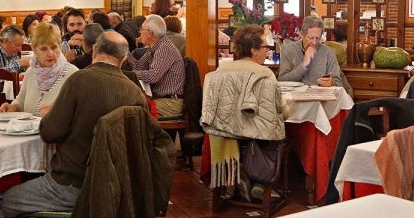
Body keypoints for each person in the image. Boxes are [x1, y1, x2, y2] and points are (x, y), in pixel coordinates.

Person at [0, 31, 150, 217]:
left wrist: (54, 112)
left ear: (94, 50)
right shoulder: (136, 93)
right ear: (125, 58)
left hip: (71, 184)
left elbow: (49, 133)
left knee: (2, 201)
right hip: (116, 188)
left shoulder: (78, 80)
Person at [201, 24, 286, 202]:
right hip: (257, 133)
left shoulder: (219, 71)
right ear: (254, 50)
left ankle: (242, 176)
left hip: (223, 130)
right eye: (265, 47)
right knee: (274, 135)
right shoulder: (265, 74)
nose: (267, 51)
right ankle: (260, 183)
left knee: (246, 134)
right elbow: (280, 110)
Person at [0, 23, 78, 116]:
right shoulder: (31, 72)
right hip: (29, 129)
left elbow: (80, 112)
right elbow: (20, 102)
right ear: (34, 49)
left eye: (54, 47)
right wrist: (12, 107)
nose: (50, 54)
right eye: (43, 49)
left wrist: (59, 110)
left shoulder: (73, 75)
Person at [128, 14, 184, 118]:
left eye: (141, 29)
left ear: (150, 33)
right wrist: (122, 51)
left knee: (133, 112)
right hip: (163, 100)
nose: (139, 32)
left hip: (170, 103)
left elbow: (152, 76)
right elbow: (138, 66)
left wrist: (129, 74)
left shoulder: (164, 49)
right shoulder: (155, 47)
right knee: (130, 108)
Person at [278, 15, 343, 87]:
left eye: (317, 38)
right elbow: (282, 81)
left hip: (321, 96)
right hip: (295, 96)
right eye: (311, 38)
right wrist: (303, 65)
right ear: (302, 35)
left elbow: (339, 83)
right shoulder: (289, 51)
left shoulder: (328, 53)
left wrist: (332, 83)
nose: (314, 43)